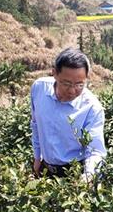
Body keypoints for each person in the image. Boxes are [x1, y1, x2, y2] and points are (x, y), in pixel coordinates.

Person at [30, 47, 106, 179]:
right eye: (66, 84)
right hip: (45, 170)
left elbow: (95, 151)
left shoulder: (92, 108)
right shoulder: (39, 88)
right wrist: (37, 157)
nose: (72, 91)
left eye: (79, 85)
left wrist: (88, 177)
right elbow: (35, 124)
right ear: (54, 73)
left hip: (75, 174)